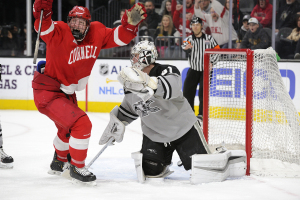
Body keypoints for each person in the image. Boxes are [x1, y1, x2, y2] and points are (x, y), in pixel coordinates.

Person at [31, 0, 146, 185]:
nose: (76, 25)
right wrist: (42, 7)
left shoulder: (97, 32)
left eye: (81, 22)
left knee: (66, 129)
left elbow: (120, 37)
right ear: (68, 22)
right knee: (81, 124)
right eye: (73, 21)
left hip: (66, 92)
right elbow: (43, 25)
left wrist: (129, 25)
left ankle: (59, 162)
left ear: (88, 24)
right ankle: (77, 166)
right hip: (48, 91)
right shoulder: (59, 31)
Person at [99, 40, 246, 184]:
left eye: (137, 55)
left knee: (205, 171)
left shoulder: (167, 70)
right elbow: (130, 108)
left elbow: (172, 89)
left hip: (183, 130)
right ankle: (162, 159)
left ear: (147, 56)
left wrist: (146, 82)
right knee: (150, 173)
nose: (133, 58)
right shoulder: (130, 84)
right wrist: (117, 123)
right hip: (154, 134)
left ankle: (222, 154)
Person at [181, 17, 220, 120]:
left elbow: (217, 51)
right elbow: (184, 46)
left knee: (203, 94)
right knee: (187, 92)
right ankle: (189, 113)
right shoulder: (189, 39)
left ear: (201, 26)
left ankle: (202, 114)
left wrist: (212, 62)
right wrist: (185, 48)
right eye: (193, 25)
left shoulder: (209, 38)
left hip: (206, 71)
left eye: (197, 25)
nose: (195, 27)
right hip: (193, 70)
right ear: (191, 27)